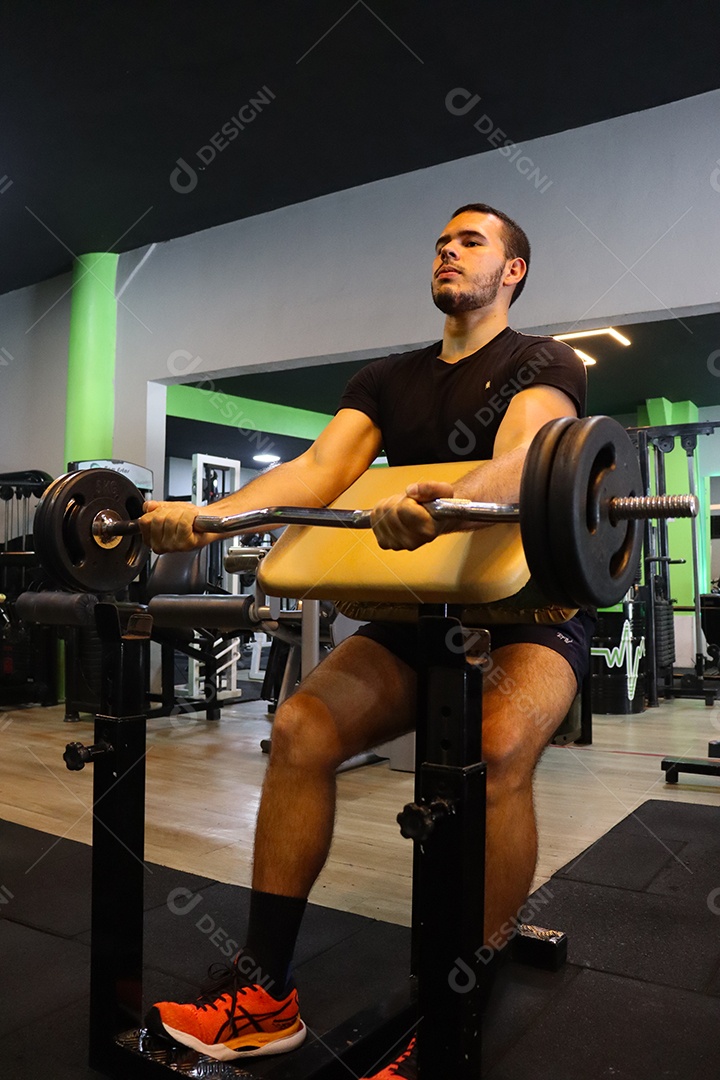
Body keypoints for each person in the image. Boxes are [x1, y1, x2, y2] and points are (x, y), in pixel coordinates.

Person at [140, 203, 590, 1078]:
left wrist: (433, 497)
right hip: (417, 612)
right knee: (302, 730)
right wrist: (204, 518)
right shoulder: (387, 378)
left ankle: (461, 1008)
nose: (448, 253)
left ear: (514, 271)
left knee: (498, 753)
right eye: (440, 242)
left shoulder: (541, 361)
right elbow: (315, 472)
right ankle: (265, 994)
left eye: (471, 242)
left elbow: (527, 454)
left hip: (527, 616)